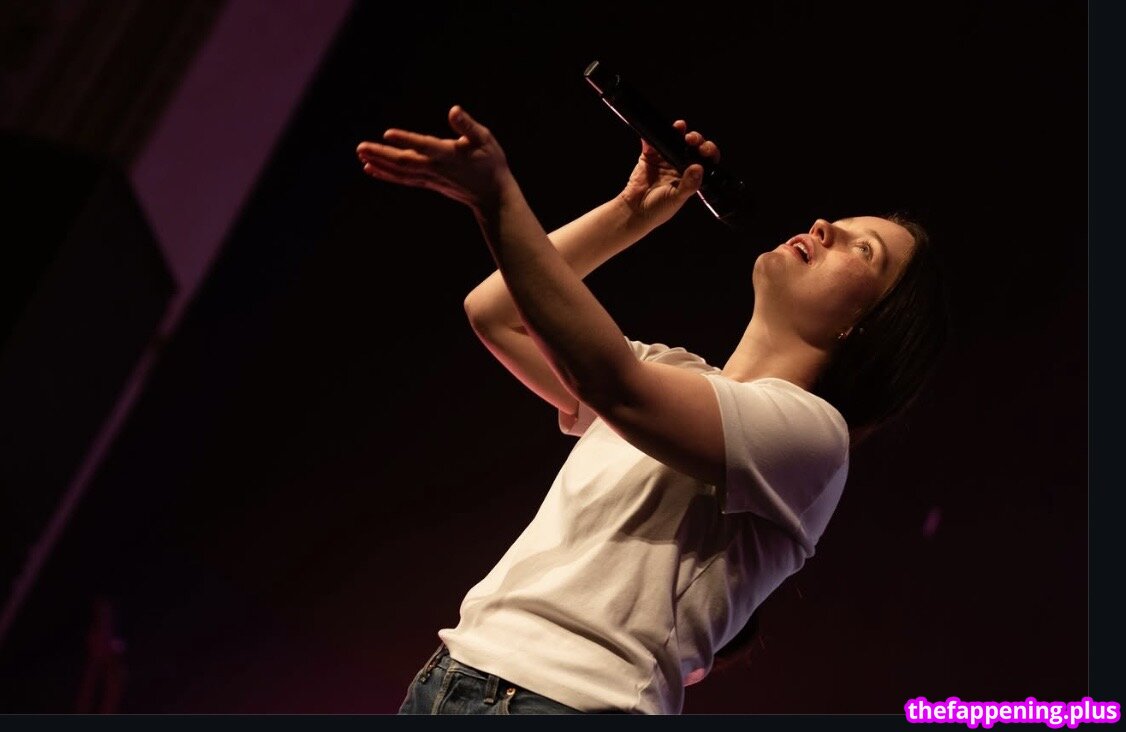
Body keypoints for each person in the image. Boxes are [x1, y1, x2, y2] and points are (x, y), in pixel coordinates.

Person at [355, 103, 948, 715]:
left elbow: (614, 384)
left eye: (863, 250)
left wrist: (499, 200)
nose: (824, 227)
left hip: (563, 703)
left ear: (866, 329)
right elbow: (495, 312)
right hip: (454, 675)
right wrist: (630, 213)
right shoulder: (671, 370)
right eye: (839, 223)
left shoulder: (813, 437)